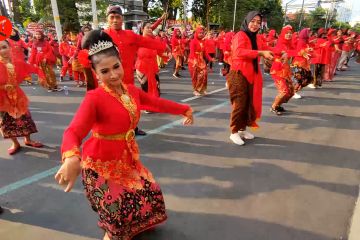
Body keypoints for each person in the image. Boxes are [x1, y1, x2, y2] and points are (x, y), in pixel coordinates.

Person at [55, 30, 193, 240]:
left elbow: (155, 102)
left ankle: (130, 226)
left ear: (122, 62)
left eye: (116, 67)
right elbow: (73, 131)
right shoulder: (95, 98)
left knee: (149, 190)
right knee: (116, 209)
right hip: (101, 164)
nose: (113, 75)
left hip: (126, 157)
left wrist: (183, 108)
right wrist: (71, 156)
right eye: (104, 71)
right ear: (95, 73)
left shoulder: (131, 91)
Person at [104, 5, 167, 136]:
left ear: (122, 19)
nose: (115, 20)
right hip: (108, 80)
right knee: (111, 107)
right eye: (112, 17)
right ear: (108, 19)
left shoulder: (130, 35)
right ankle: (114, 130)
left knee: (132, 106)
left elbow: (146, 42)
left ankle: (134, 127)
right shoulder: (102, 36)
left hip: (127, 79)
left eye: (118, 17)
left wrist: (163, 46)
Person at [226, 11, 273, 145]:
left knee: (248, 104)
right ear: (247, 21)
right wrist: (260, 53)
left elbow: (267, 49)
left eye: (258, 22)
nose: (255, 25)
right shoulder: (240, 35)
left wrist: (282, 53)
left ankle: (242, 129)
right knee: (239, 104)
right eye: (253, 21)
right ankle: (234, 132)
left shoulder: (257, 38)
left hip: (252, 75)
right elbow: (239, 52)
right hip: (238, 74)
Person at [0, 40, 43, 155]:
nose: (2, 51)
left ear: (10, 47)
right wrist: (4, 86)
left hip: (18, 96)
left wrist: (41, 77)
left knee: (25, 119)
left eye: (4, 47)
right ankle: (15, 143)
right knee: (5, 122)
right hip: (2, 99)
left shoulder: (17, 63)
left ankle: (28, 140)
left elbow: (33, 69)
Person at [269, 25, 295, 115]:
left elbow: (295, 51)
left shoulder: (289, 44)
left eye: (290, 33)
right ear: (283, 34)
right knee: (284, 91)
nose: (289, 35)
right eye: (287, 33)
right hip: (277, 70)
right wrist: (284, 52)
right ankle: (273, 107)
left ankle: (278, 105)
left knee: (290, 91)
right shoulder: (280, 43)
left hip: (286, 70)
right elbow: (276, 50)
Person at [135, 20, 165, 99]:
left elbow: (161, 50)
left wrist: (167, 54)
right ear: (142, 29)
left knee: (156, 86)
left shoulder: (154, 40)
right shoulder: (137, 40)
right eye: (147, 28)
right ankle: (147, 105)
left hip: (153, 67)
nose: (150, 29)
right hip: (142, 68)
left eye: (151, 28)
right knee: (146, 87)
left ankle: (154, 103)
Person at [188, 26, 214, 96]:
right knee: (195, 75)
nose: (201, 34)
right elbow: (192, 52)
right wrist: (194, 60)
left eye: (202, 33)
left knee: (204, 73)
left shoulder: (203, 41)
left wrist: (210, 59)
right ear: (196, 33)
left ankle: (202, 89)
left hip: (201, 60)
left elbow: (205, 52)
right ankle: (195, 90)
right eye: (200, 33)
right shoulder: (193, 41)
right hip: (193, 60)